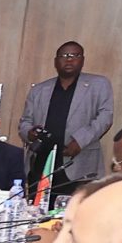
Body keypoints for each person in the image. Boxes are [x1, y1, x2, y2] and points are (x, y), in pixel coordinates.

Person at [20, 40, 114, 189]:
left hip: (78, 163)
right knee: (36, 203)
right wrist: (30, 133)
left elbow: (105, 117)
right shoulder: (39, 90)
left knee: (74, 204)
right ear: (56, 61)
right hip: (40, 162)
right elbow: (25, 122)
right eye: (64, 56)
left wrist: (79, 141)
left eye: (75, 55)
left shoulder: (98, 84)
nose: (69, 60)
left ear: (82, 60)